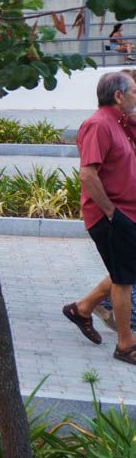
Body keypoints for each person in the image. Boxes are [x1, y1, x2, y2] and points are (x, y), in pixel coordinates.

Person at [64, 72, 136, 364]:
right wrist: (112, 213)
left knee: (128, 269)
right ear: (119, 96)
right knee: (123, 279)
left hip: (127, 212)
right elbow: (87, 174)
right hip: (112, 216)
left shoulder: (121, 123)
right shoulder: (98, 124)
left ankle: (82, 309)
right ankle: (125, 345)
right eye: (134, 91)